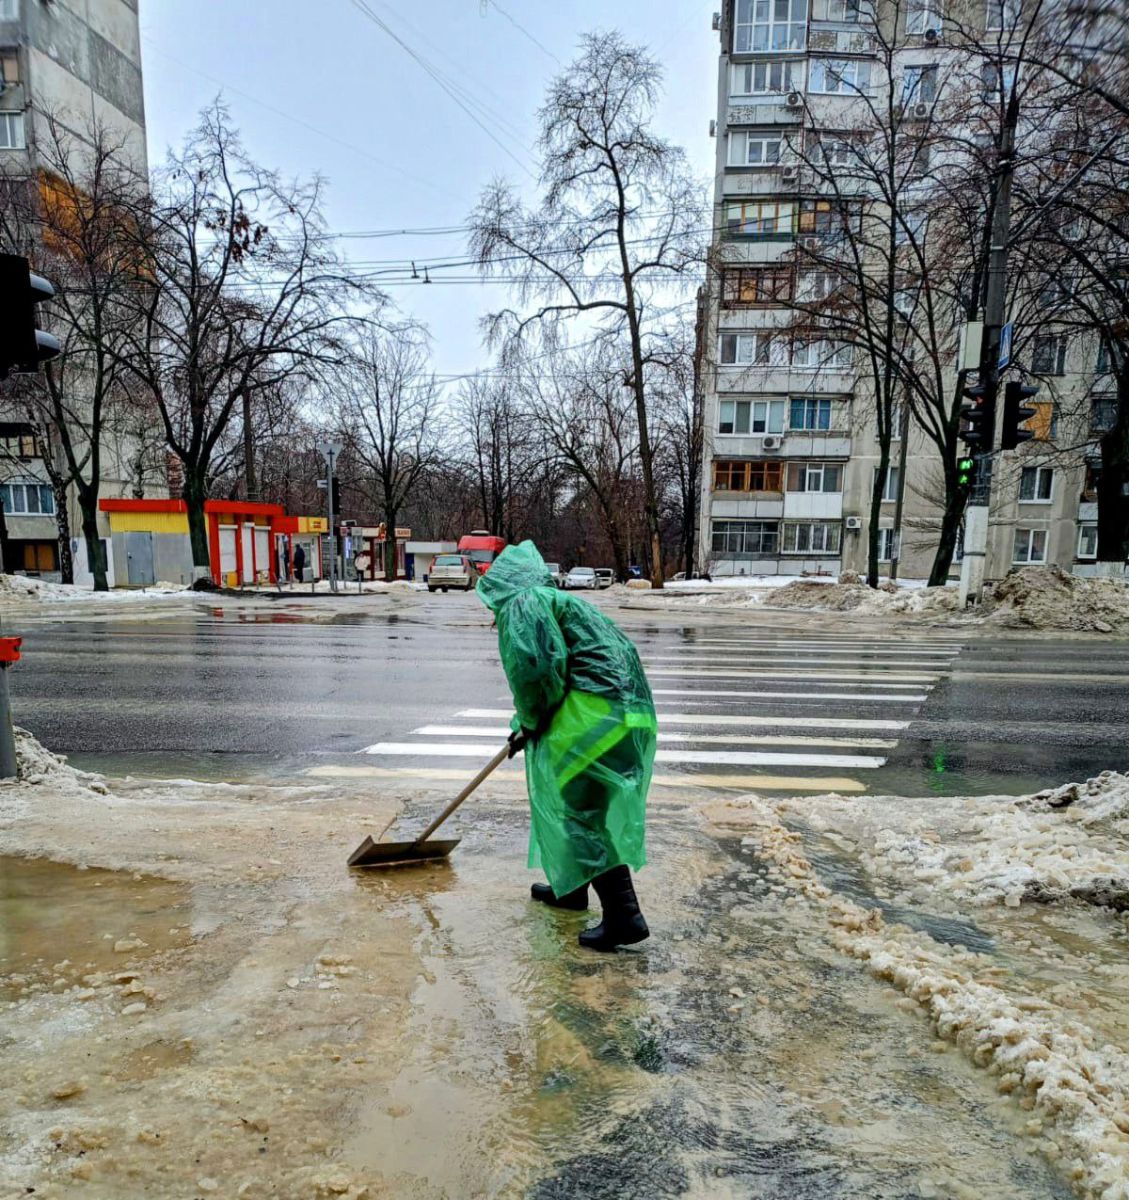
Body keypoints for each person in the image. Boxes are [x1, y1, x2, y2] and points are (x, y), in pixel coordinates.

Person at [477, 541, 656, 952]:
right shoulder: (554, 599)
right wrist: (527, 724)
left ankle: (624, 917)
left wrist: (531, 720)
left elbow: (537, 670)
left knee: (578, 812)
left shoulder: (524, 603)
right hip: (626, 713)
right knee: (578, 801)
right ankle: (571, 888)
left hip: (596, 713)